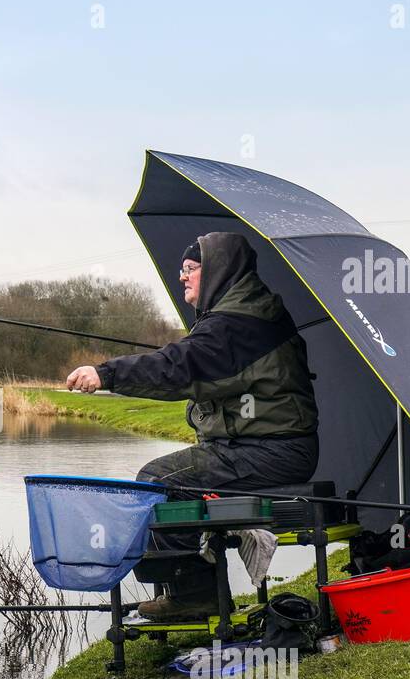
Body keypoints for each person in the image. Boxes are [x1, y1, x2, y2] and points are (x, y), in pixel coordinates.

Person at [65, 231, 319, 618]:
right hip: (262, 447)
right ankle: (192, 589)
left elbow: (178, 366)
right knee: (170, 479)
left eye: (190, 269)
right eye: (181, 270)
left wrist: (106, 374)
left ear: (219, 272)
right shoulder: (240, 316)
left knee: (160, 480)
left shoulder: (237, 323)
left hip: (272, 451)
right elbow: (198, 366)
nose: (182, 277)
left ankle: (193, 595)